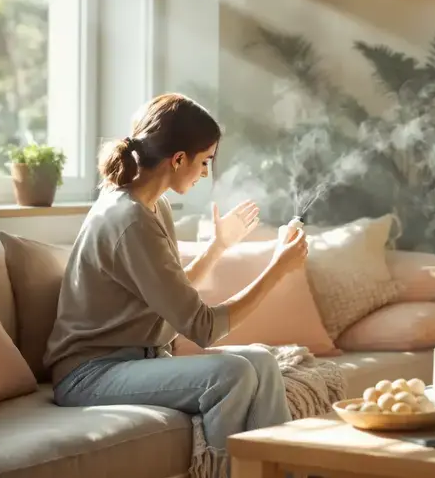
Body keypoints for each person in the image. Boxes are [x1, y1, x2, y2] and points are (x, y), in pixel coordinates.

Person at [45, 93, 308, 453]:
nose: (205, 173)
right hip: (90, 374)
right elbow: (203, 328)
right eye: (205, 161)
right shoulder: (129, 219)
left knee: (261, 361)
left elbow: (172, 291)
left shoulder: (153, 205)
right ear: (178, 158)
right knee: (233, 374)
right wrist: (277, 269)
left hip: (140, 361)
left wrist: (219, 246)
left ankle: (280, 468)